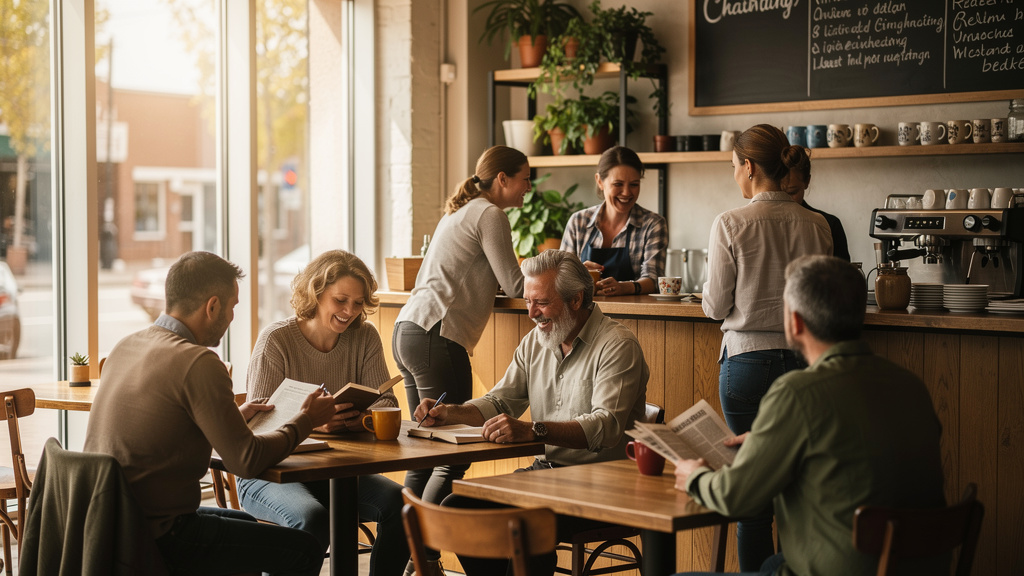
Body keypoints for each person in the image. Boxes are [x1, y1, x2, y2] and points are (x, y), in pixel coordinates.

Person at [675, 255, 946, 576]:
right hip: (920, 568)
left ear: (795, 322)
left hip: (842, 569)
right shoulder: (910, 385)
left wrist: (693, 476)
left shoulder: (799, 392)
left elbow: (737, 499)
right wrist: (768, 442)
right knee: (775, 562)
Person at [84, 251, 336, 576]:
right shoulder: (199, 362)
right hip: (161, 533)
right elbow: (246, 461)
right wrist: (306, 420)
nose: (232, 317)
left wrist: (234, 416)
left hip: (111, 524)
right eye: (233, 307)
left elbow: (167, 427)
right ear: (212, 306)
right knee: (303, 551)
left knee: (244, 523)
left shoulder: (126, 346)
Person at [414, 249, 649, 576]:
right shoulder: (535, 342)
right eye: (528, 301)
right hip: (544, 476)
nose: (532, 313)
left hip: (604, 487)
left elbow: (606, 427)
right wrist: (451, 412)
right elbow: (500, 402)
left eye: (541, 302)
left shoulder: (617, 345)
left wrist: (533, 430)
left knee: (526, 528)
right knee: (459, 508)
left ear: (577, 300)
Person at [701, 124, 833, 570]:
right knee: (800, 489)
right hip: (805, 364)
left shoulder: (730, 223)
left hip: (746, 366)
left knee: (752, 498)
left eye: (734, 166)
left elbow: (715, 306)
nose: (734, 174)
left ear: (750, 167)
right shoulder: (817, 225)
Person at [237, 250, 408, 576]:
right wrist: (314, 424)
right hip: (268, 473)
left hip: (334, 470)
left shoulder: (365, 336)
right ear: (315, 294)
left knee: (401, 503)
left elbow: (386, 405)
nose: (350, 311)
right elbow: (259, 427)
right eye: (341, 300)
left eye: (359, 303)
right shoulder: (277, 340)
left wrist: (360, 419)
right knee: (312, 517)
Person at [392, 145, 528, 549]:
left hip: (410, 330)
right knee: (454, 453)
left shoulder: (463, 211)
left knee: (425, 453)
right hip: (436, 337)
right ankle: (421, 552)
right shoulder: (490, 214)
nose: (528, 188)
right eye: (524, 178)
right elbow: (518, 285)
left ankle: (403, 555)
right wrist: (570, 271)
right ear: (502, 179)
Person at [560, 146, 667, 296]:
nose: (626, 192)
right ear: (600, 181)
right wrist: (578, 273)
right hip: (584, 315)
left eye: (634, 184)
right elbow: (560, 281)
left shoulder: (653, 225)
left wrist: (624, 287)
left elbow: (653, 280)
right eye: (618, 184)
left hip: (635, 317)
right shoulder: (579, 222)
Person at [780, 156, 851, 261]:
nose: (786, 199)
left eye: (792, 192)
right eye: (780, 192)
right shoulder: (766, 223)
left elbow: (842, 276)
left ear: (807, 181)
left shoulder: (829, 224)